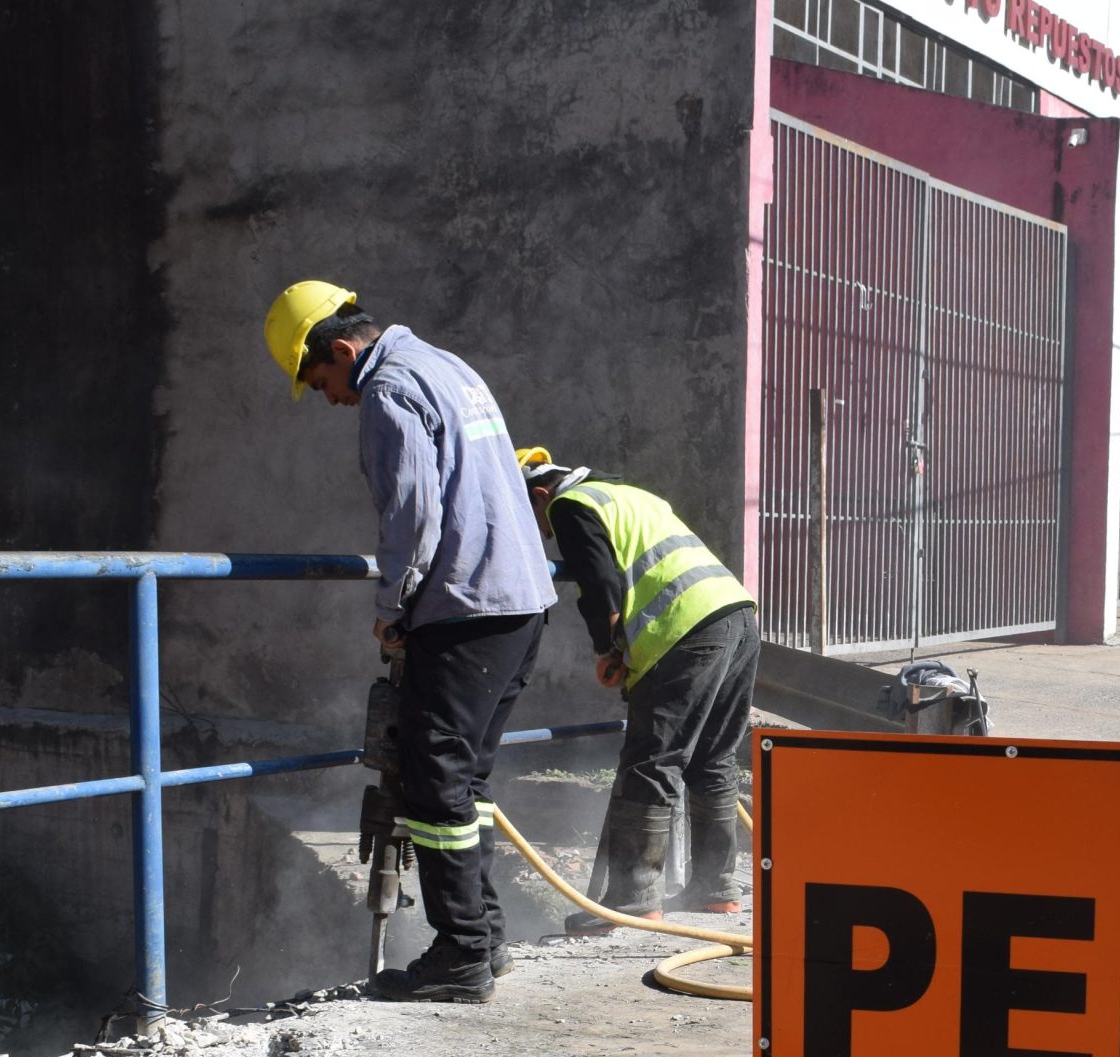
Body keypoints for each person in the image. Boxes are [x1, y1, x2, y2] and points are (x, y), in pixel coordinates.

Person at [264, 279, 555, 1003]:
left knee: (433, 780)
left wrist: (392, 605)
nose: (331, 400)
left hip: (465, 609)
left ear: (341, 350)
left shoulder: (388, 390)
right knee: (466, 781)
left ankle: (461, 953)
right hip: (519, 602)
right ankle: (485, 936)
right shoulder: (446, 365)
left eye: (322, 383)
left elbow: (412, 511)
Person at [518, 449, 759, 927]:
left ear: (541, 494)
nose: (538, 532)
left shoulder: (570, 505)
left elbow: (599, 582)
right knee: (712, 757)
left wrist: (609, 650)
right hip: (738, 617)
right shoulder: (628, 495)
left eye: (529, 516)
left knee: (651, 762)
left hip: (684, 630)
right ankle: (716, 890)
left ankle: (633, 899)